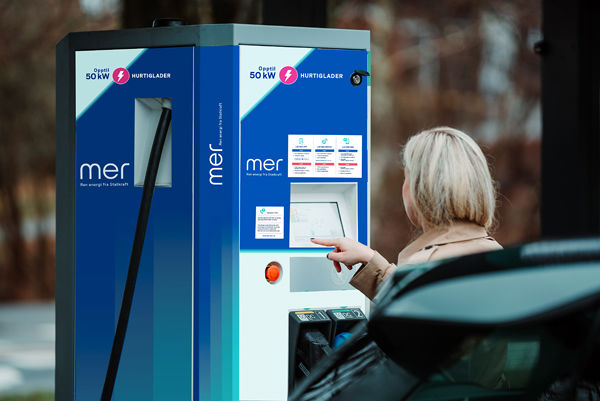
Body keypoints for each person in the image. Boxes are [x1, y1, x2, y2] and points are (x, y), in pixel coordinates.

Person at [312, 126, 502, 301]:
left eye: (407, 177)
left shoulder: (425, 268)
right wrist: (373, 263)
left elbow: (410, 321)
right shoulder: (498, 257)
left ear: (421, 190)